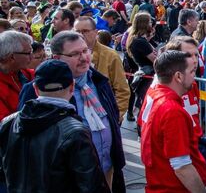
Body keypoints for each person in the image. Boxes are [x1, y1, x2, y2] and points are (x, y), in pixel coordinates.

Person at [18, 31, 126, 191]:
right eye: (75, 54)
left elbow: (112, 116)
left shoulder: (99, 80)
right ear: (56, 58)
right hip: (69, 181)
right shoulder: (37, 89)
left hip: (106, 170)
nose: (83, 57)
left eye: (85, 50)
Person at [0, 60, 110, 192]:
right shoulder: (75, 132)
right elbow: (92, 185)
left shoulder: (8, 122)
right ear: (72, 87)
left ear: (35, 88)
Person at [140, 51, 206, 192]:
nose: (194, 77)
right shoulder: (172, 111)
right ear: (178, 76)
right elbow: (182, 167)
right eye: (192, 72)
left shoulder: (153, 94)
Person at [74, 16, 131, 122]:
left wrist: (115, 115)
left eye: (85, 31)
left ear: (96, 32)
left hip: (105, 116)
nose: (81, 35)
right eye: (77, 31)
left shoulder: (110, 55)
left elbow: (122, 90)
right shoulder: (69, 55)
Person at [126, 13, 157, 121]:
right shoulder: (139, 41)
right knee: (144, 104)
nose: (151, 24)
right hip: (147, 75)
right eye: (149, 22)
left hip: (145, 74)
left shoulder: (140, 40)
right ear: (144, 24)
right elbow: (156, 60)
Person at [0, 31, 34, 120]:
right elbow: (4, 124)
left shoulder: (27, 74)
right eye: (28, 53)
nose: (32, 57)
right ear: (12, 57)